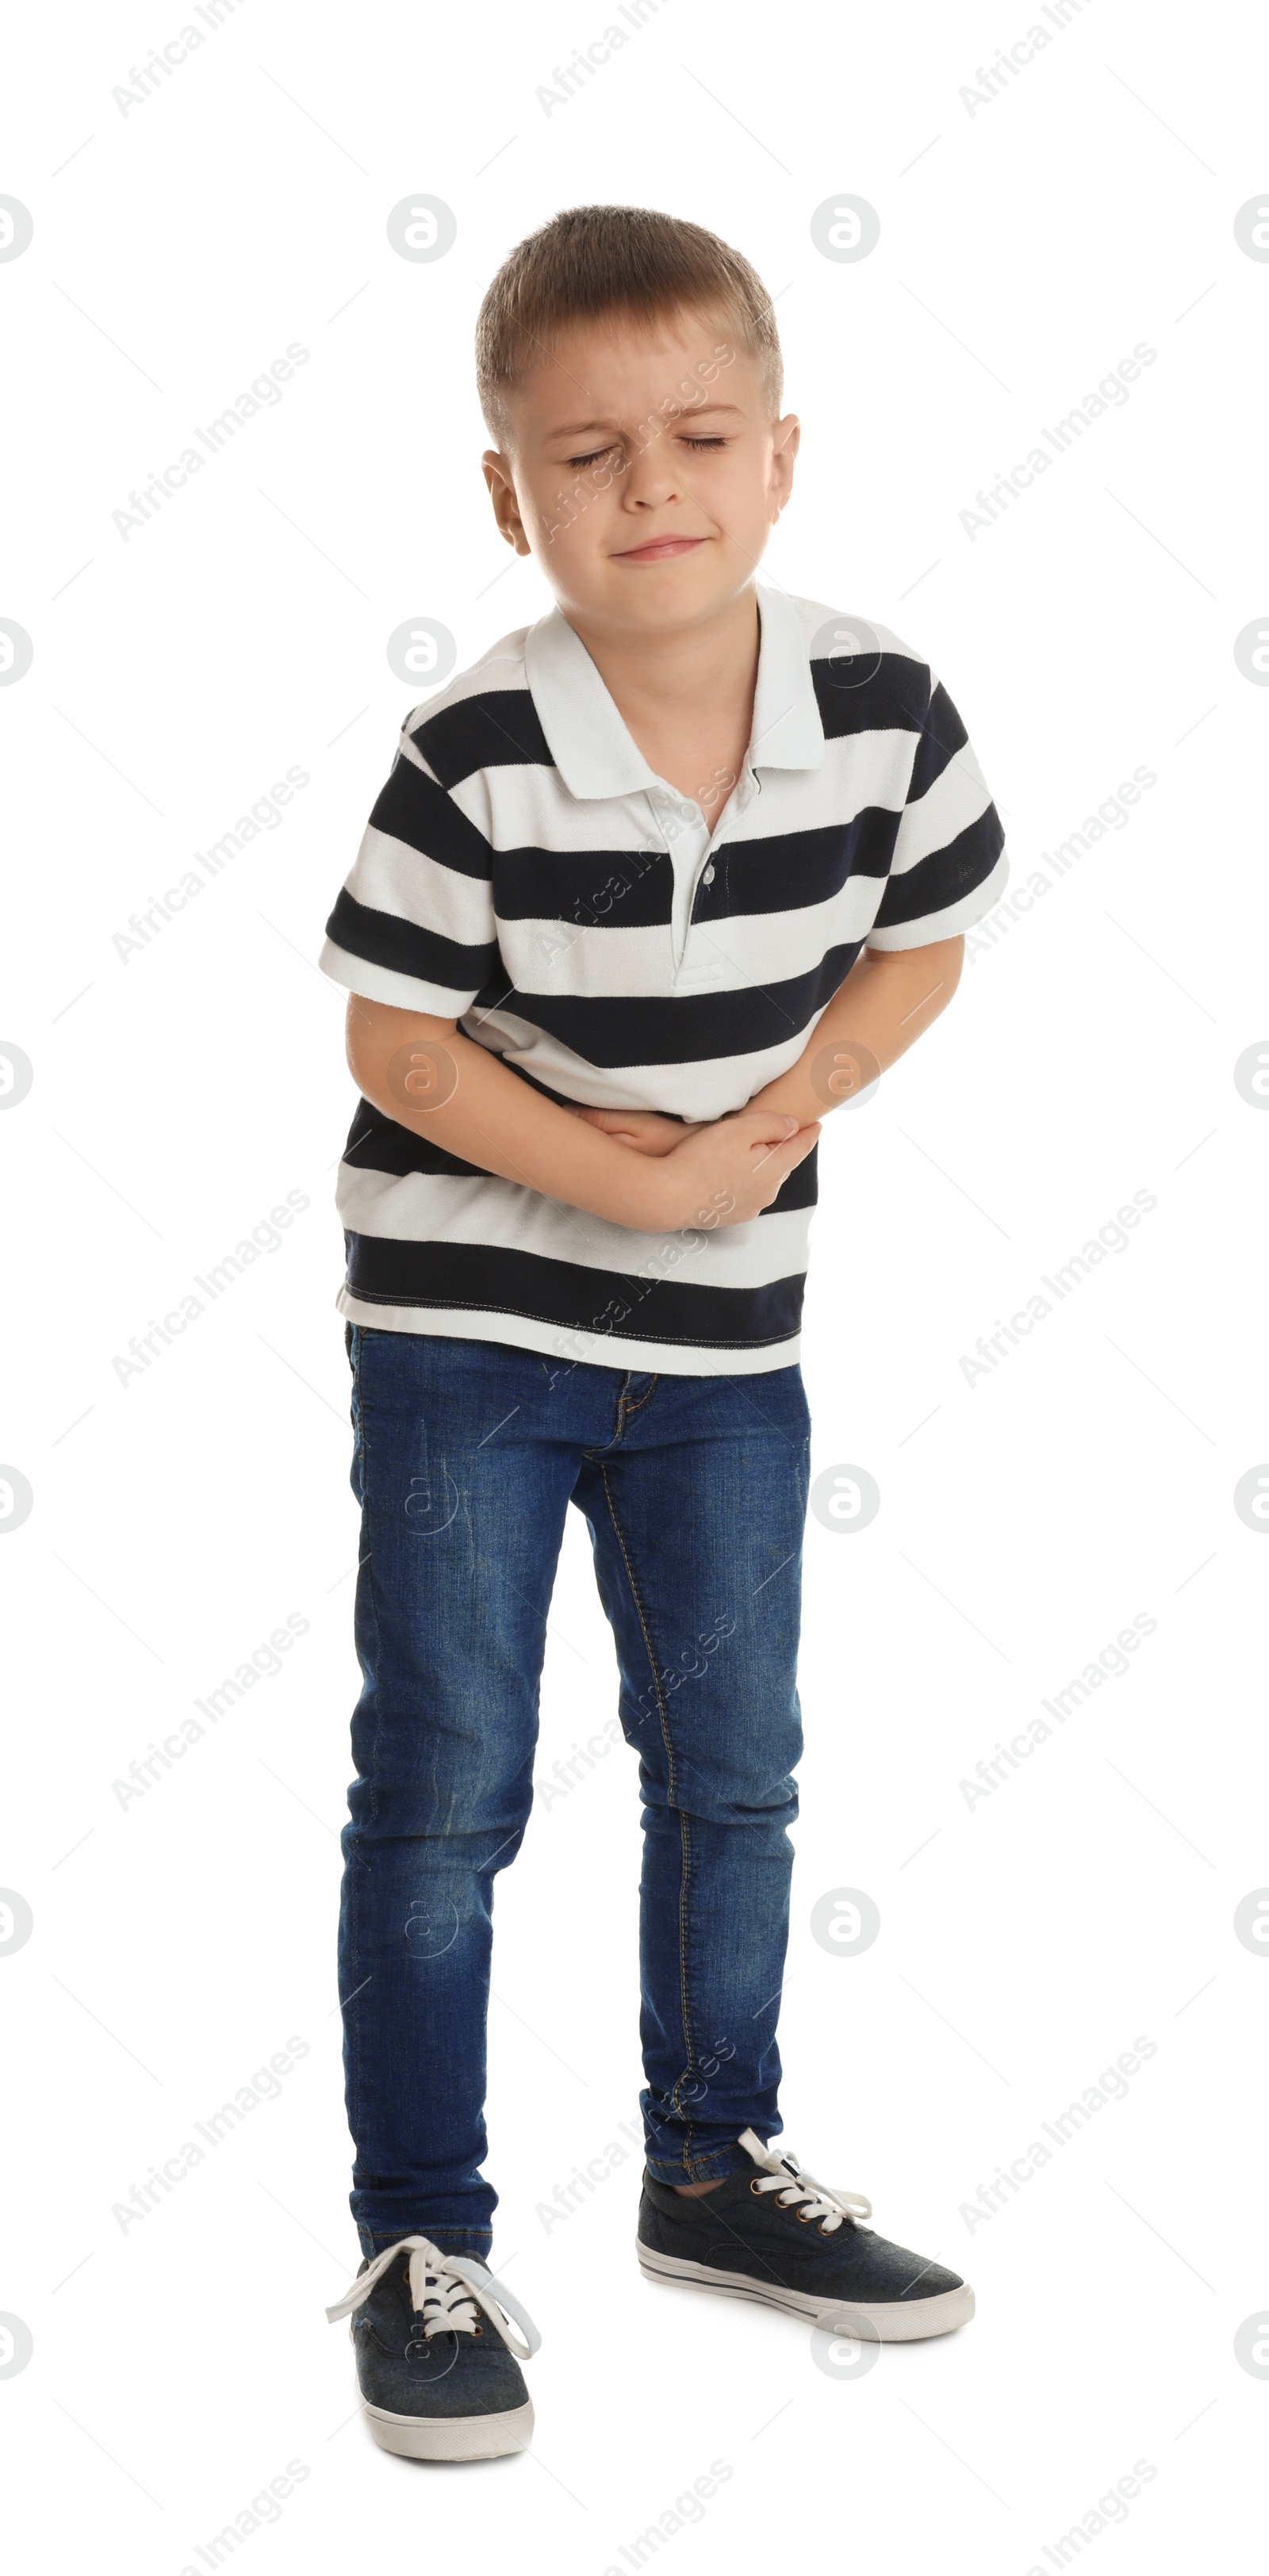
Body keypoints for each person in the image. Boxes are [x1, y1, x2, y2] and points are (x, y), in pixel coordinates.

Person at [320, 204, 1007, 2462]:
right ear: (509, 494)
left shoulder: (881, 704)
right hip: (472, 1340)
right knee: (447, 1785)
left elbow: (926, 943)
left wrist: (791, 1105)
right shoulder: (476, 745)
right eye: (589, 453)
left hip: (726, 1356)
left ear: (782, 456)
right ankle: (422, 2230)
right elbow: (398, 1047)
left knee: (738, 1768)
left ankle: (715, 2166)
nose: (652, 488)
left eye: (700, 435)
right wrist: (632, 1177)